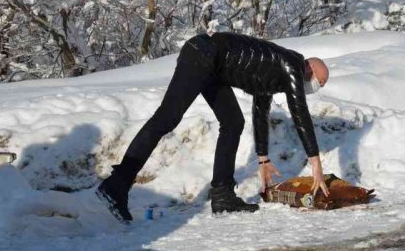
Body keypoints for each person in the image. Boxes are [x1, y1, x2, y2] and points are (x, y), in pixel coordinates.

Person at [97, 32, 330, 222]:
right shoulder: (292, 65)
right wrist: (315, 162)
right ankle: (117, 185)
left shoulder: (277, 71)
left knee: (233, 121)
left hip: (214, 66)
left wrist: (263, 158)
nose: (315, 87)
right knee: (166, 118)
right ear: (309, 69)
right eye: (319, 82)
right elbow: (300, 112)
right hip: (203, 54)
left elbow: (260, 110)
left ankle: (223, 195)